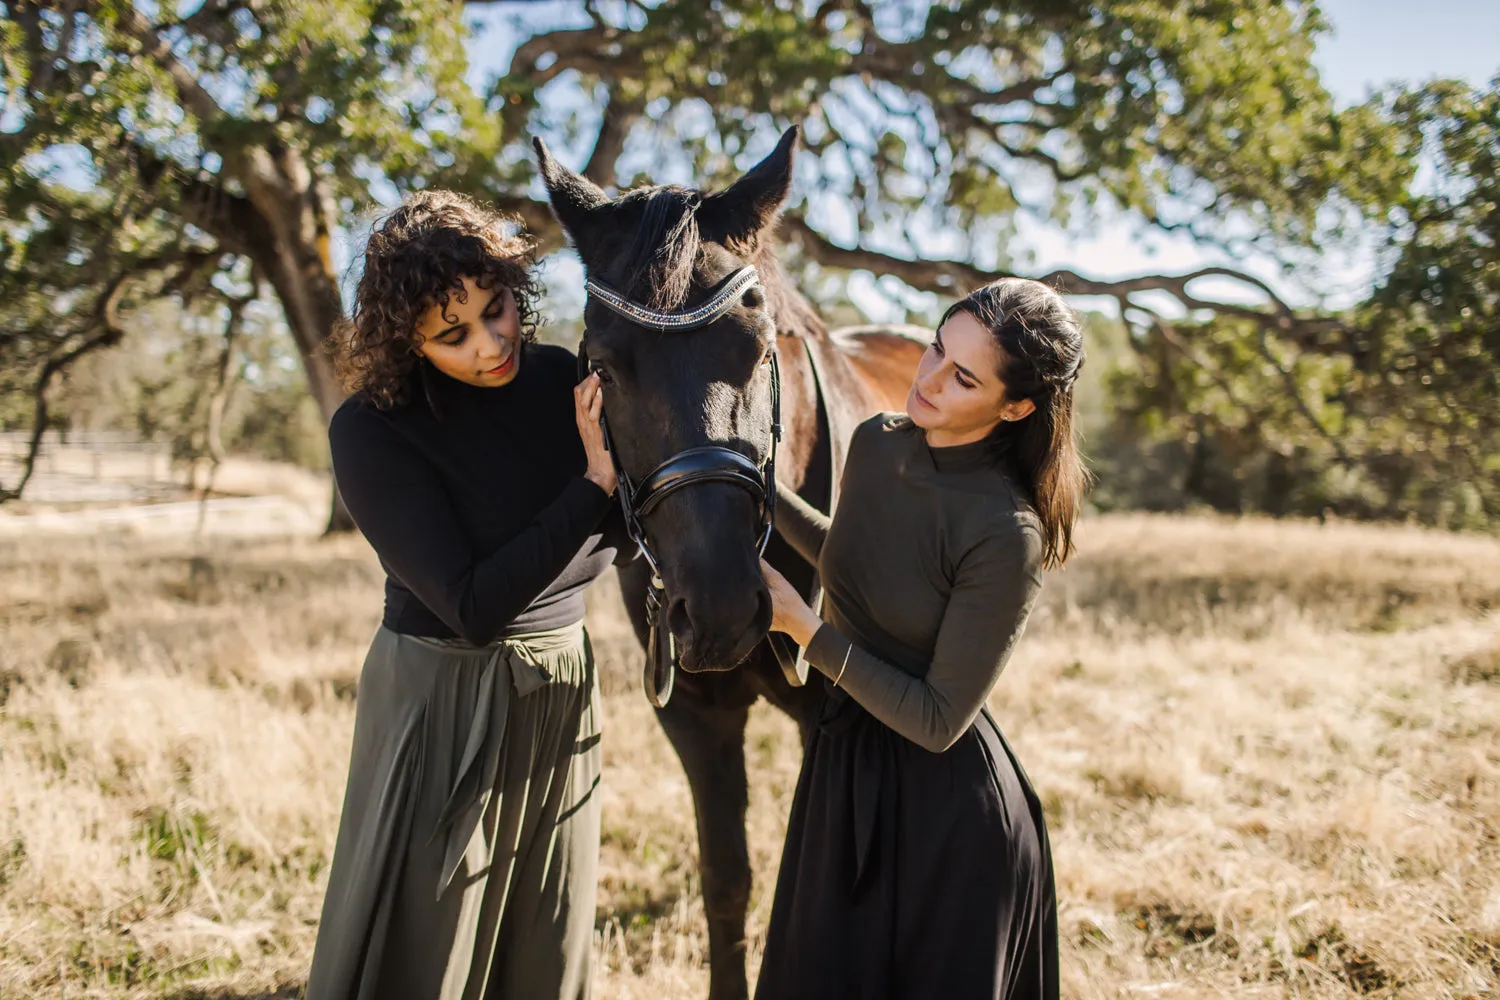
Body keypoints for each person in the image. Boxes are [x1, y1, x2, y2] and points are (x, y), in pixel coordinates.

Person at [305, 189, 618, 1000]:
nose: (491, 343)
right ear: (404, 341)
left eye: (499, 307)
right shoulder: (372, 431)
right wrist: (592, 486)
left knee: (542, 932)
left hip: (563, 683)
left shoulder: (559, 378)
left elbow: (619, 540)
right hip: (440, 697)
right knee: (430, 943)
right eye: (453, 334)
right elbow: (473, 606)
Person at [755, 277, 1088, 1000]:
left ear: (1017, 406)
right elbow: (852, 560)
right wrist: (753, 482)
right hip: (844, 762)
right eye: (937, 346)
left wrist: (802, 629)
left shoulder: (1008, 531)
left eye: (963, 376)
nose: (928, 379)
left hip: (948, 825)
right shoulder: (877, 444)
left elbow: (939, 721)